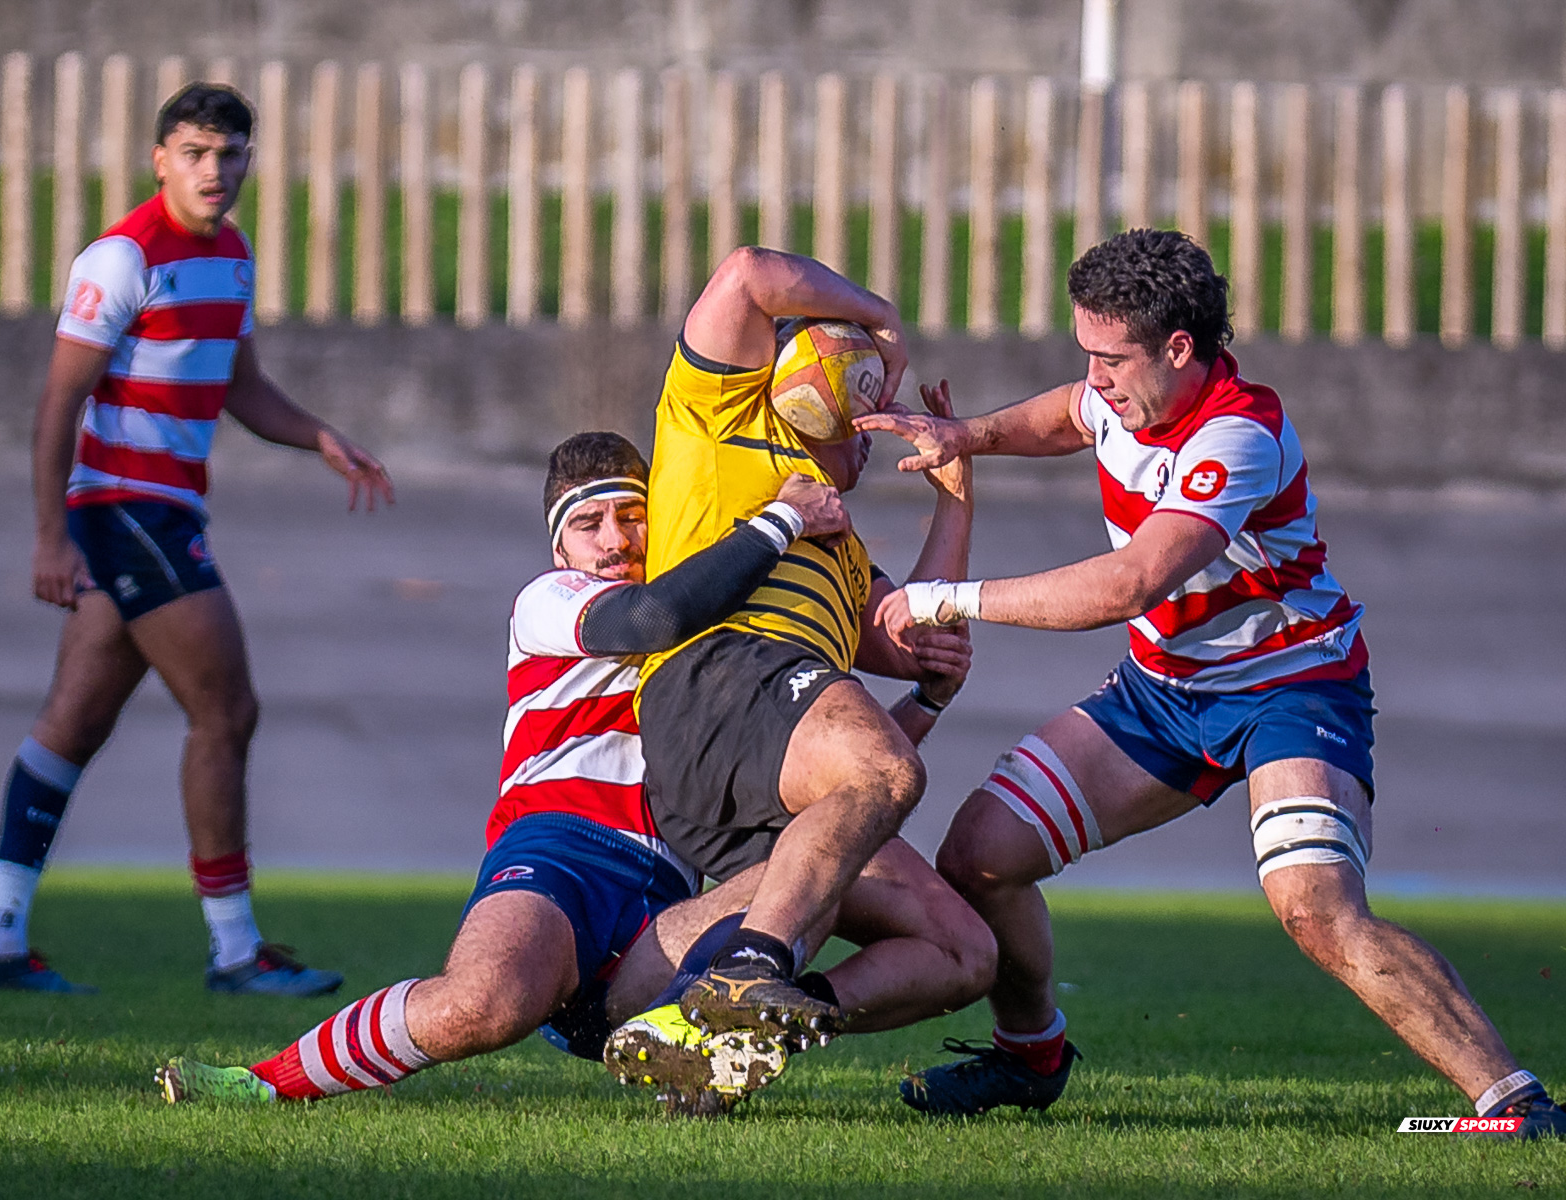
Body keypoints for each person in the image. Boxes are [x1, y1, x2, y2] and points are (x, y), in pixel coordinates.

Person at [859, 228, 1564, 1140]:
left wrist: (945, 598)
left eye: (1112, 357)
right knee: (982, 857)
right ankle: (1030, 1056)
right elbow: (1073, 414)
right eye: (1088, 352)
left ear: (1178, 349)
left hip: (1291, 691)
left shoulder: (1237, 434)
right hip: (1163, 693)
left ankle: (1517, 1103)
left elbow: (1130, 584)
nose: (1097, 376)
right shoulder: (1121, 395)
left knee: (1315, 908)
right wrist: (970, 435)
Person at [156, 432, 989, 1114]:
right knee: (483, 1005)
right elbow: (650, 616)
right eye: (592, 524)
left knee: (921, 924)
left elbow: (839, 787)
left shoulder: (717, 632)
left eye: (634, 517)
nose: (618, 540)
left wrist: (927, 695)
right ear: (560, 543)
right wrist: (776, 519)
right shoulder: (552, 601)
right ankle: (262, 1083)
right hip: (563, 855)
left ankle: (750, 1022)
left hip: (670, 901)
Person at [0, 82, 393, 998]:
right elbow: (58, 402)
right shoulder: (122, 258)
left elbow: (242, 387)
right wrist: (50, 538)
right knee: (226, 710)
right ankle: (235, 951)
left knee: (73, 723)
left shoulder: (231, 258)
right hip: (125, 511)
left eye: (231, 154)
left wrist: (319, 436)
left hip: (164, 513)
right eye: (196, 152)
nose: (215, 171)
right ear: (161, 159)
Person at [633, 245, 983, 1048]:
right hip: (716, 679)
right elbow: (748, 272)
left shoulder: (846, 552)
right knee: (884, 768)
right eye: (863, 404)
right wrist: (880, 318)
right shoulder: (720, 421)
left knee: (962, 951)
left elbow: (912, 644)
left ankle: (708, 1031)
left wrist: (954, 502)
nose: (870, 427)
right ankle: (754, 967)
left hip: (763, 747)